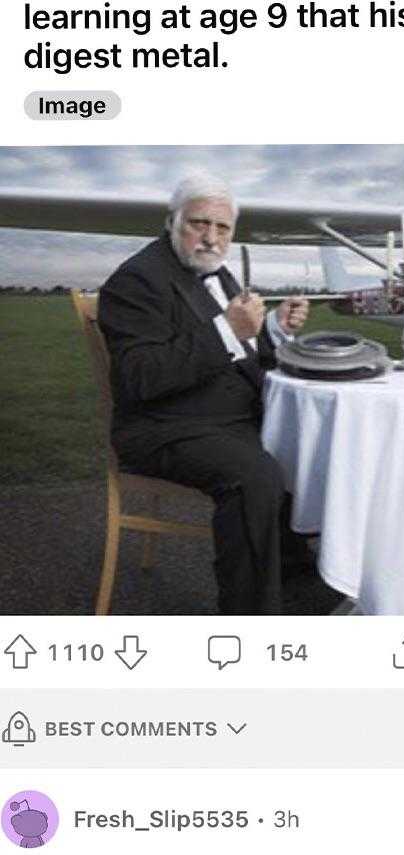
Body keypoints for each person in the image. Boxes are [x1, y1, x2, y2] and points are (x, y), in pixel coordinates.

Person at [98, 173, 310, 614]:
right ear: (173, 221)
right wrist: (227, 329)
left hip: (223, 418)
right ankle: (251, 617)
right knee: (255, 476)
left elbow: (238, 349)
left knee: (309, 449)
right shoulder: (136, 280)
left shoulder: (217, 272)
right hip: (162, 428)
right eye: (199, 223)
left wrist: (272, 328)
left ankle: (303, 588)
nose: (210, 237)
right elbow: (142, 377)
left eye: (222, 228)